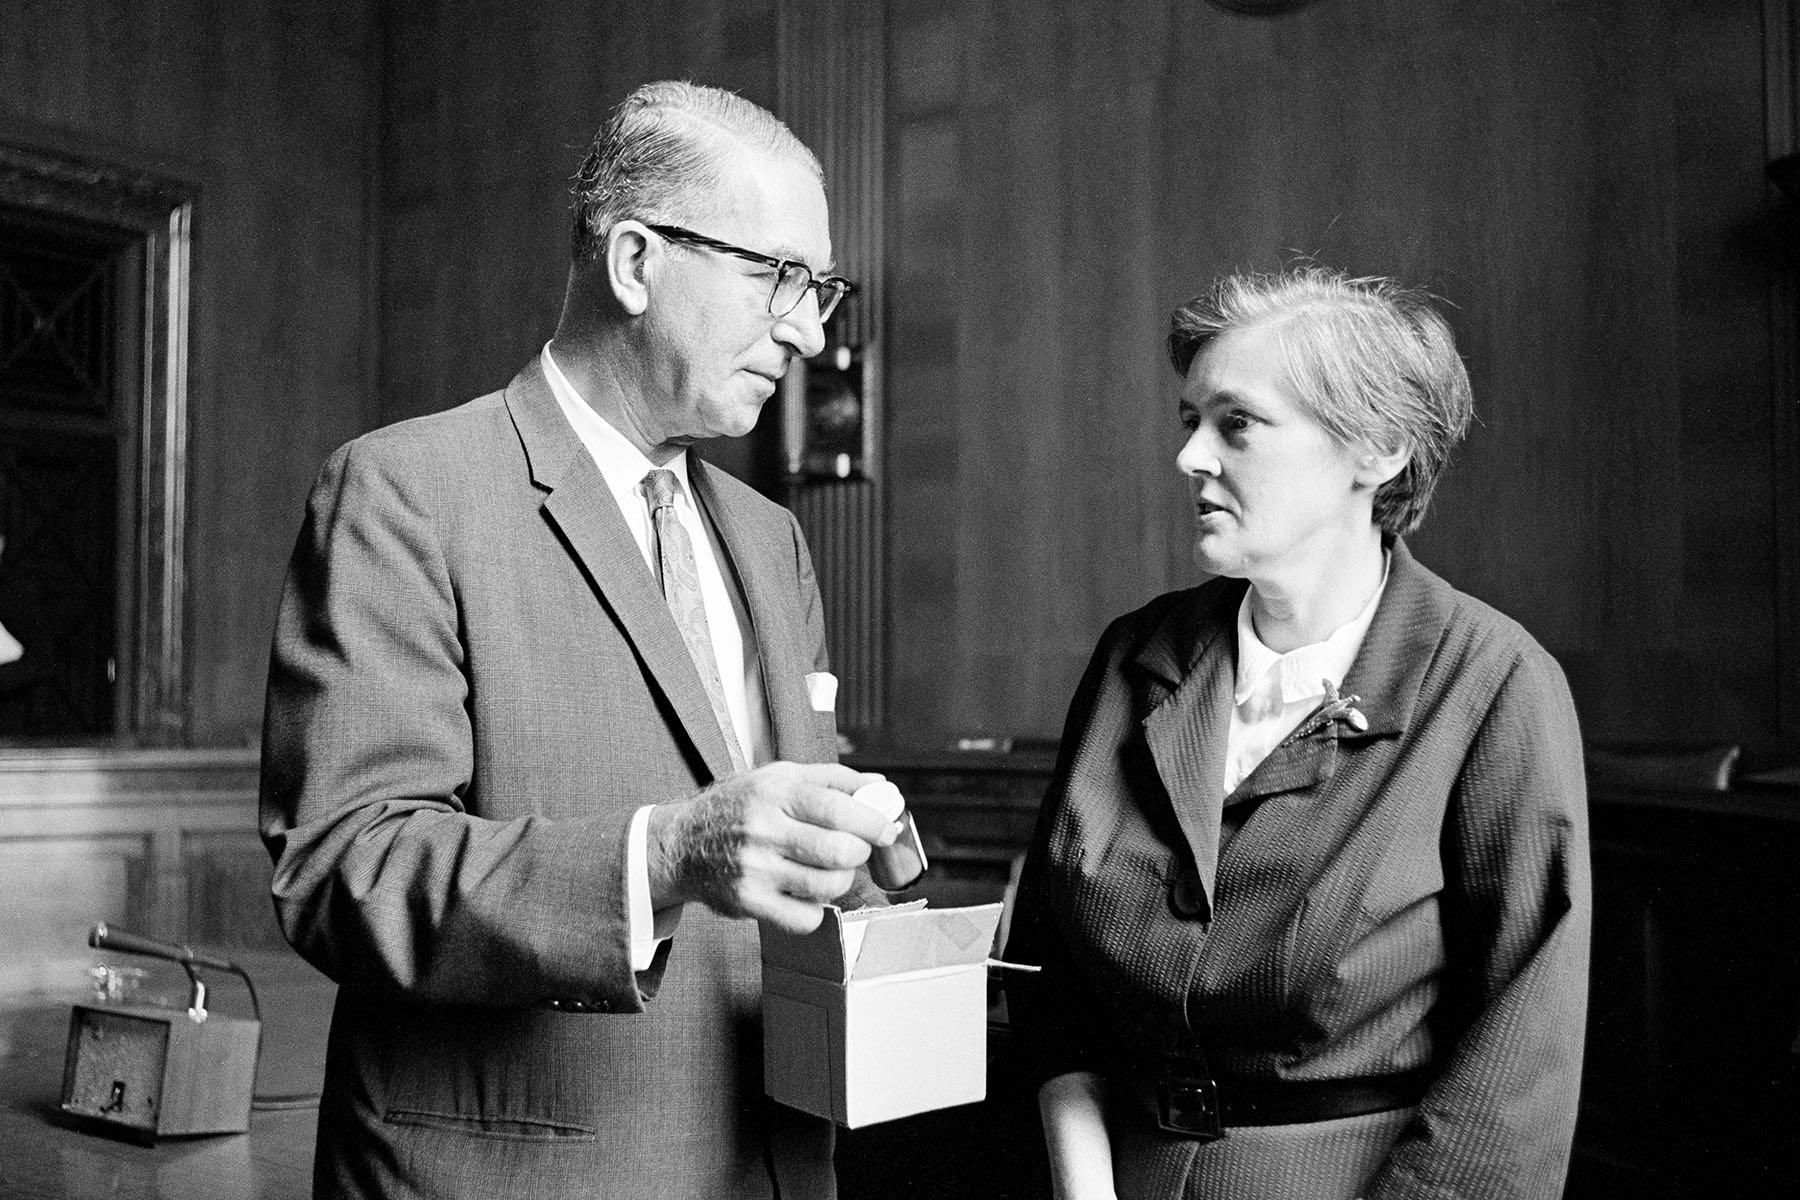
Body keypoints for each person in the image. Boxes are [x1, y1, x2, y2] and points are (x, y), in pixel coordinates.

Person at [259, 81, 901, 1200]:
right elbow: (344, 869)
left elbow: (764, 844)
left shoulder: (774, 540)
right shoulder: (404, 492)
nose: (808, 328)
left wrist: (853, 859)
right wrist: (663, 856)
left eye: (821, 288)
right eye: (779, 278)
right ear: (637, 261)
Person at [1003, 268, 1590, 1199]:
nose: (1192, 457)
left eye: (1235, 424)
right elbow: (1051, 983)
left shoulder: (1494, 681)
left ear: (1380, 449)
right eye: (1189, 421)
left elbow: (1517, 1074)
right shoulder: (1134, 657)